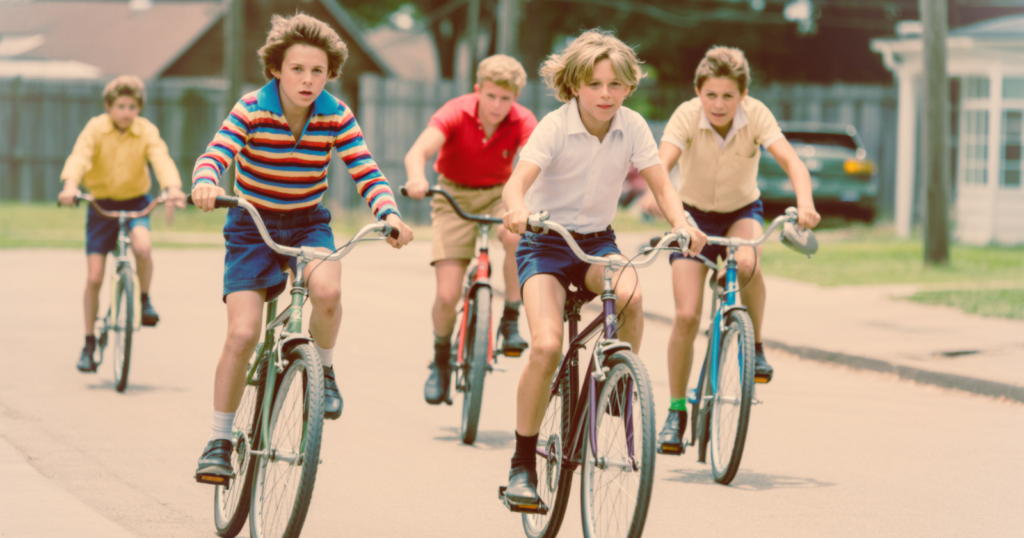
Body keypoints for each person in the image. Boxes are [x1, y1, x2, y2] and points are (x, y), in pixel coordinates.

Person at [189, 13, 413, 478]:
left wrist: (389, 214)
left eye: (318, 71)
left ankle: (323, 371)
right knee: (242, 333)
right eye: (297, 69)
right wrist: (206, 182)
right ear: (276, 69)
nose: (308, 80)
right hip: (251, 224)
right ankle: (219, 441)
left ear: (329, 74)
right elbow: (217, 152)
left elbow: (365, 169)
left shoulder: (336, 114)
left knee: (328, 291)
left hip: (308, 223)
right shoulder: (252, 108)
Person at [499, 29, 706, 503]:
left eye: (615, 84)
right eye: (595, 84)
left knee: (631, 295)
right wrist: (517, 209)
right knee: (546, 346)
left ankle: (614, 383)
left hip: (597, 243)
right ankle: (522, 465)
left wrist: (682, 223)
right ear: (575, 85)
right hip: (545, 243)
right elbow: (516, 184)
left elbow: (662, 185)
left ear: (629, 86)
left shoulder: (632, 126)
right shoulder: (554, 126)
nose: (605, 94)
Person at [646, 46, 820, 452]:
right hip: (691, 216)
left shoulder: (756, 115)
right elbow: (661, 165)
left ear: (743, 95)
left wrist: (805, 204)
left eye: (728, 95)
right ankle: (676, 412)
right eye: (711, 95)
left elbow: (793, 162)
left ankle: (754, 347)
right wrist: (662, 203)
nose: (719, 104)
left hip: (741, 210)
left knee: (746, 264)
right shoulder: (686, 115)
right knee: (686, 315)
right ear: (698, 92)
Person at [403, 54, 538, 405]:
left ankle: (510, 318)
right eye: (490, 96)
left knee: (516, 235)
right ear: (478, 89)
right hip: (453, 195)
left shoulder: (523, 120)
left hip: (499, 194)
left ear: (515, 98)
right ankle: (441, 358)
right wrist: (417, 178)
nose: (496, 105)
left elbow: (536, 160)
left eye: (505, 98)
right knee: (447, 296)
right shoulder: (456, 111)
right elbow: (418, 152)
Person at [58, 75, 186, 373]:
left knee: (144, 248)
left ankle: (144, 299)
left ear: (139, 108)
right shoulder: (95, 128)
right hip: (101, 206)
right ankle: (89, 342)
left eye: (132, 107)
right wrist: (70, 185)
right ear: (109, 106)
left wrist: (172, 188)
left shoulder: (146, 130)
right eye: (121, 106)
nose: (126, 112)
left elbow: (161, 159)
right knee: (94, 277)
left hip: (136, 203)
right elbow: (79, 157)